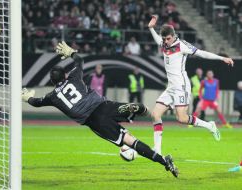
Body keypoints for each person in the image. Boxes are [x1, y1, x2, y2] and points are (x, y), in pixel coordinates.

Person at [22, 41, 178, 177]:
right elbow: (80, 61)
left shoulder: (52, 97)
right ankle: (132, 109)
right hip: (103, 105)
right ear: (65, 75)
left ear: (52, 80)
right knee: (124, 113)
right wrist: (71, 53)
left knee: (130, 141)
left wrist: (27, 97)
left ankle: (164, 161)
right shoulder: (73, 77)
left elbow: (37, 102)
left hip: (95, 121)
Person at [148, 15, 234, 154]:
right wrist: (151, 28)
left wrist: (222, 58)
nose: (165, 41)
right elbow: (158, 40)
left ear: (174, 36)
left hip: (181, 86)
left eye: (168, 39)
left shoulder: (182, 45)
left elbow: (202, 53)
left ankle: (209, 125)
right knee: (155, 114)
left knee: (181, 118)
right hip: (171, 87)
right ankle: (157, 149)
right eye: (164, 39)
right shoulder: (164, 43)